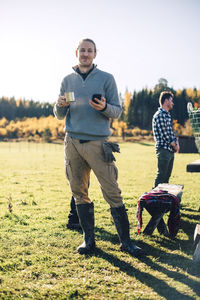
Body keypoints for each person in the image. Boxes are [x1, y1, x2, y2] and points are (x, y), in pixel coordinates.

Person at [54, 38, 143, 256]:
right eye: (82, 50)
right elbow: (58, 115)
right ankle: (89, 241)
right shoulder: (67, 80)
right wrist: (59, 105)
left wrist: (104, 107)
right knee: (79, 192)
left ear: (95, 54)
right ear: (76, 52)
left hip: (99, 143)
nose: (85, 54)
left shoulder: (106, 79)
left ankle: (126, 242)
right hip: (72, 142)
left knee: (112, 191)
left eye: (89, 50)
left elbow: (116, 111)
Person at [152, 91, 180, 188]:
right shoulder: (159, 115)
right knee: (161, 176)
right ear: (166, 101)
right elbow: (165, 134)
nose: (173, 103)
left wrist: (176, 143)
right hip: (163, 150)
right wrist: (174, 145)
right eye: (171, 100)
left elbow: (171, 132)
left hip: (170, 150)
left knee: (166, 177)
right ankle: (153, 198)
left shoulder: (167, 115)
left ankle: (163, 199)